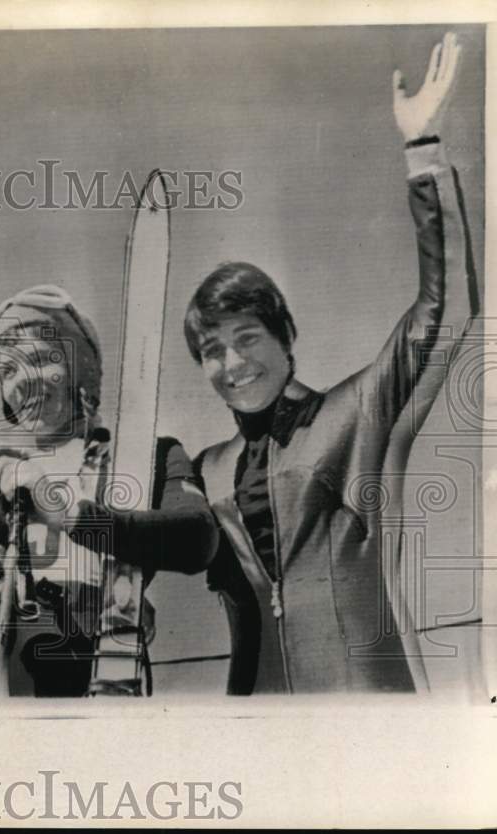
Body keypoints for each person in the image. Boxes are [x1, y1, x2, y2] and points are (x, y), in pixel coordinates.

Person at [185, 33, 478, 694]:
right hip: (259, 729)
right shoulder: (205, 472)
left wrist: (423, 150)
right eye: (211, 349)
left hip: (366, 716)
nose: (232, 362)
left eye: (247, 336)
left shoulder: (356, 413)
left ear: (286, 338)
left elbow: (448, 309)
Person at [0, 279, 219, 695]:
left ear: (79, 370)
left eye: (42, 360)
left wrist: (69, 514)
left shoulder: (143, 457)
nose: (24, 382)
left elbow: (198, 538)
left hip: (90, 673)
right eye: (8, 370)